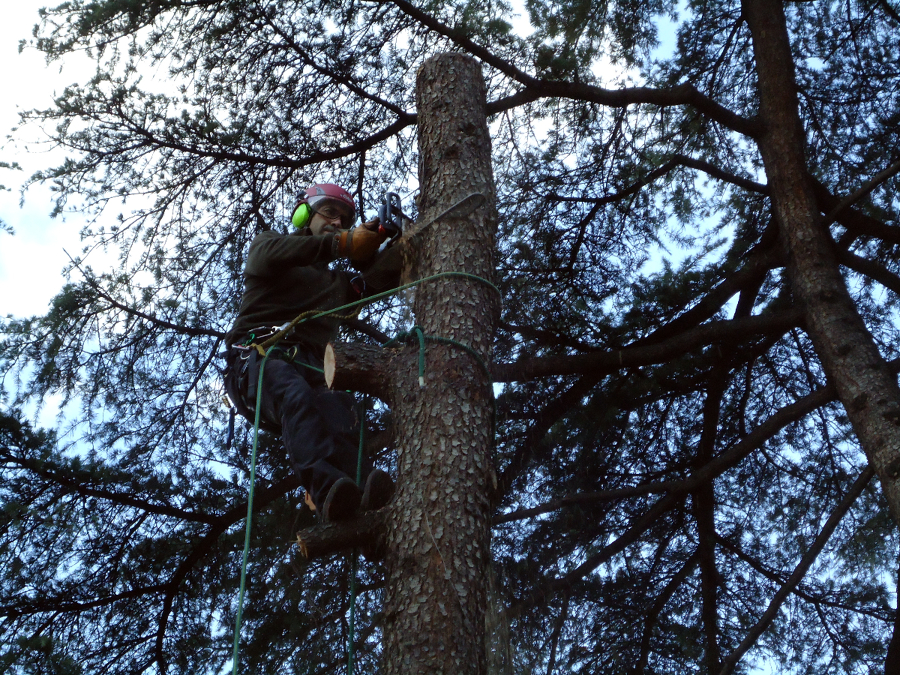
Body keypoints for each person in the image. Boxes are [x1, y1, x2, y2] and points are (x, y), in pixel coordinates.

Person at [224, 183, 400, 521]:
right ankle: (326, 490)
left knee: (339, 411)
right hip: (259, 358)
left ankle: (362, 496)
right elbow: (276, 254)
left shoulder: (334, 285)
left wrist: (394, 246)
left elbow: (372, 282)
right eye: (329, 213)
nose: (337, 222)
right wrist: (344, 243)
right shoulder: (271, 249)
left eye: (345, 219)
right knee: (294, 394)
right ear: (304, 214)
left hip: (311, 366)